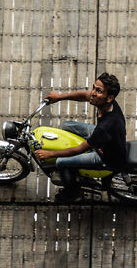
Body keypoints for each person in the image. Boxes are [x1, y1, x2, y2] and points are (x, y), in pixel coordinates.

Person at [33, 73, 127, 203]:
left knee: (61, 162)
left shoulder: (106, 126)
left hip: (105, 156)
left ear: (109, 97)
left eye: (98, 91)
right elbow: (85, 95)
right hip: (105, 139)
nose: (92, 93)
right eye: (94, 88)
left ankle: (72, 193)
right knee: (67, 126)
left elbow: (79, 149)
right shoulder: (107, 102)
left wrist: (50, 153)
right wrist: (59, 97)